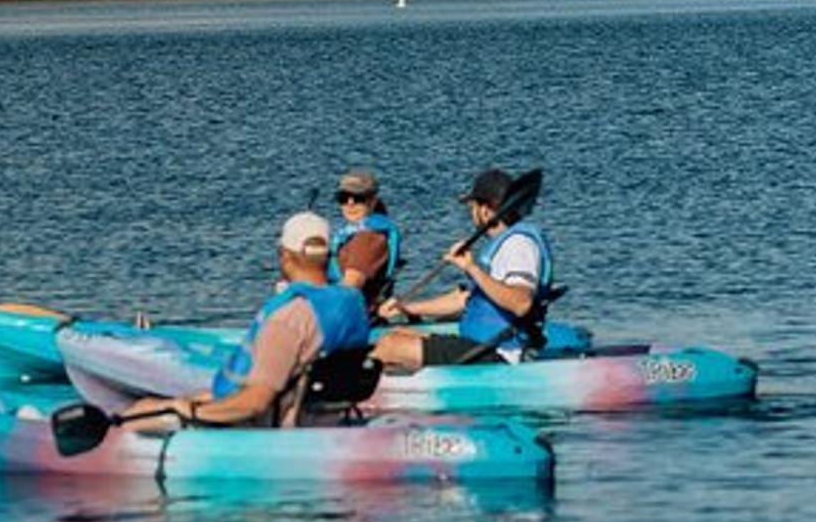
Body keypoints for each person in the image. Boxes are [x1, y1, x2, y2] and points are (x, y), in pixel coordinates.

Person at [125, 212, 372, 428]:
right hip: (325, 414)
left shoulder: (287, 320)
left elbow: (255, 402)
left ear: (285, 256)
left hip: (277, 424)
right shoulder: (354, 303)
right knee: (188, 398)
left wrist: (191, 412)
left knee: (141, 412)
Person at [373, 168, 552, 370]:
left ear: (485, 210)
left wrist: (471, 267)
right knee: (394, 335)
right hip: (480, 344)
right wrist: (405, 308)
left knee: (391, 346)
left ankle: (361, 384)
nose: (471, 214)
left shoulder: (519, 245)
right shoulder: (503, 244)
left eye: (472, 207)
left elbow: (521, 303)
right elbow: (463, 299)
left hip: (500, 351)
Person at [328, 168, 400, 312]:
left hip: (354, 314)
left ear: (372, 201)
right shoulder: (352, 234)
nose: (350, 203)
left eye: (358, 198)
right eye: (343, 198)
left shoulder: (368, 239)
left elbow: (350, 286)